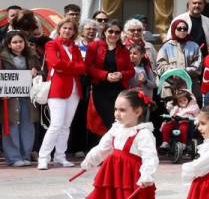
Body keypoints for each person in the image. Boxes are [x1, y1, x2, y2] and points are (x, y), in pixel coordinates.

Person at [79, 88, 158, 199]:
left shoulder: (143, 133)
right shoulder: (115, 130)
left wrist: (147, 175)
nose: (117, 114)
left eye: (122, 110)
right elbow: (102, 148)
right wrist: (89, 161)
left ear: (137, 112)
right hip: (113, 175)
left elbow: (150, 157)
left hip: (131, 179)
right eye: (116, 109)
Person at [38, 18, 87, 169]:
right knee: (56, 125)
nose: (67, 31)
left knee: (66, 126)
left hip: (74, 90)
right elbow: (55, 63)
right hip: (58, 89)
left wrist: (67, 67)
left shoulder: (75, 47)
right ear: (59, 29)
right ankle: (43, 157)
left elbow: (83, 68)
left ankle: (60, 156)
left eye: (70, 29)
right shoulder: (52, 44)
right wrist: (73, 67)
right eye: (65, 28)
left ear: (74, 32)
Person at [1, 31, 39, 166]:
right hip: (10, 98)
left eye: (20, 42)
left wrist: (36, 73)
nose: (18, 45)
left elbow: (42, 73)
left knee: (28, 126)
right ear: (9, 45)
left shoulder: (32, 56)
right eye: (15, 42)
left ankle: (26, 155)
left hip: (28, 97)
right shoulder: (2, 58)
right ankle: (14, 157)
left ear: (25, 43)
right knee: (11, 126)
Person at [87, 23, 134, 129]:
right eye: (110, 31)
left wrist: (121, 74)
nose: (113, 34)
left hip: (119, 90)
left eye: (117, 32)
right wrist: (105, 75)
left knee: (118, 120)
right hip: (101, 90)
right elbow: (88, 67)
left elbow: (131, 71)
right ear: (104, 32)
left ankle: (116, 144)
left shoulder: (124, 50)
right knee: (109, 120)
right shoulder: (94, 46)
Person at [156, 19, 202, 89]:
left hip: (190, 86)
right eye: (179, 28)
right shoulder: (166, 47)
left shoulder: (194, 46)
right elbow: (160, 65)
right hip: (170, 86)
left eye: (185, 29)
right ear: (174, 29)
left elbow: (198, 65)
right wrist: (174, 72)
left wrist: (184, 71)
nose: (182, 30)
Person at [159, 88, 199, 153]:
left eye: (184, 100)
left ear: (188, 99)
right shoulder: (176, 108)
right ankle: (165, 142)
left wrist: (195, 120)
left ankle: (184, 144)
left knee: (183, 129)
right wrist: (172, 116)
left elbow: (197, 115)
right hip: (176, 122)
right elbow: (171, 111)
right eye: (180, 101)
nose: (183, 102)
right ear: (177, 102)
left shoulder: (192, 107)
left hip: (186, 123)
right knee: (166, 127)